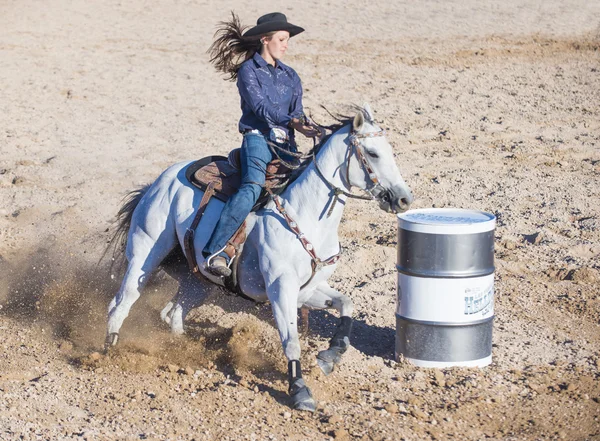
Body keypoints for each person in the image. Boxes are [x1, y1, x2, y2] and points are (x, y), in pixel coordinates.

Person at [203, 12, 319, 277]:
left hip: (286, 143)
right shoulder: (248, 71)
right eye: (282, 39)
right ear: (265, 40)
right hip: (257, 138)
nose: (286, 44)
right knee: (251, 188)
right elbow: (261, 108)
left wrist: (307, 124)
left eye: (287, 39)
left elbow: (297, 110)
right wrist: (294, 121)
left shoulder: (291, 75)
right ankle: (217, 250)